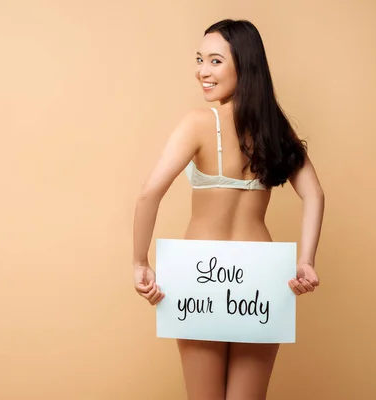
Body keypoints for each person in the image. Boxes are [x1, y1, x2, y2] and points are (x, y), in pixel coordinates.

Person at [131, 19, 325, 400]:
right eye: (200, 59)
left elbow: (147, 195)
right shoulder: (276, 129)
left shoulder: (198, 123)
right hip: (261, 278)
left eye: (215, 61)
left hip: (198, 277)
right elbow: (315, 194)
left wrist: (139, 262)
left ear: (245, 65)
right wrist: (306, 260)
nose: (202, 71)